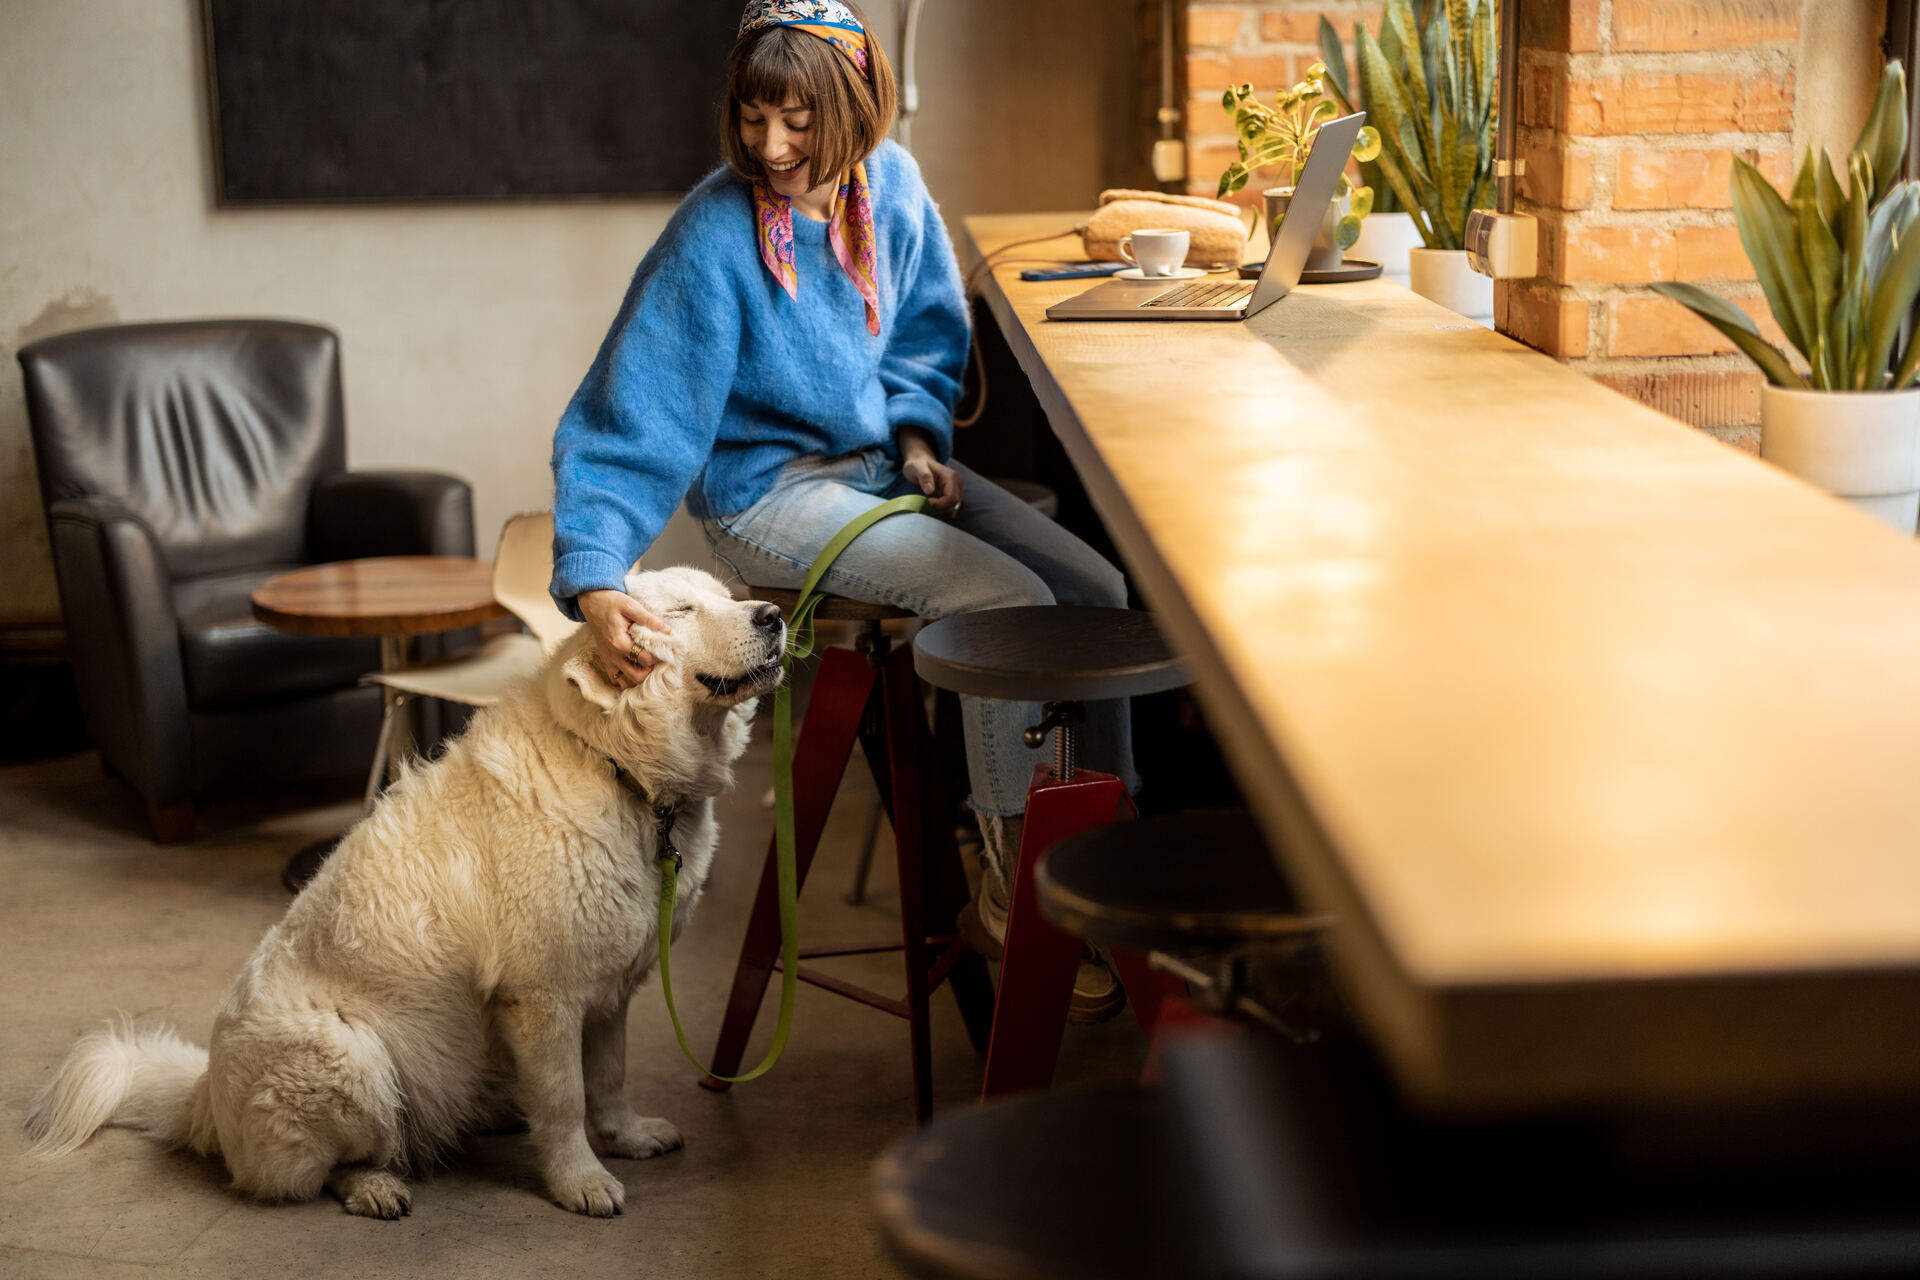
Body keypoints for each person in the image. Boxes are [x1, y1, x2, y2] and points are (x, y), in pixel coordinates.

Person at [549, 0, 1133, 1020]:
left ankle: (1100, 857)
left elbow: (921, 337)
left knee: (1098, 589)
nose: (769, 147)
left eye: (797, 121)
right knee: (1007, 599)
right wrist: (597, 574)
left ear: (856, 106)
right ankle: (1016, 885)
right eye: (752, 117)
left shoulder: (895, 186)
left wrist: (918, 437)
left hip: (877, 469)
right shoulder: (711, 235)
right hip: (769, 498)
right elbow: (628, 415)